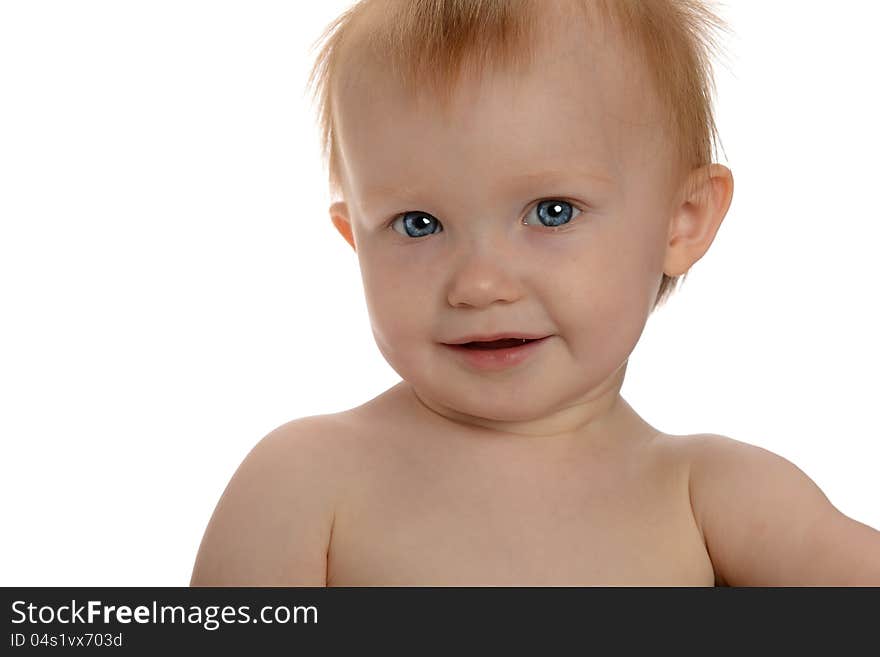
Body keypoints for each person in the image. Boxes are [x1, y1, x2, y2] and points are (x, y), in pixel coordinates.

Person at [190, 0, 880, 586]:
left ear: (683, 220)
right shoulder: (306, 481)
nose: (479, 284)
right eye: (417, 224)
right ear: (354, 238)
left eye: (552, 211)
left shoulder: (716, 497)